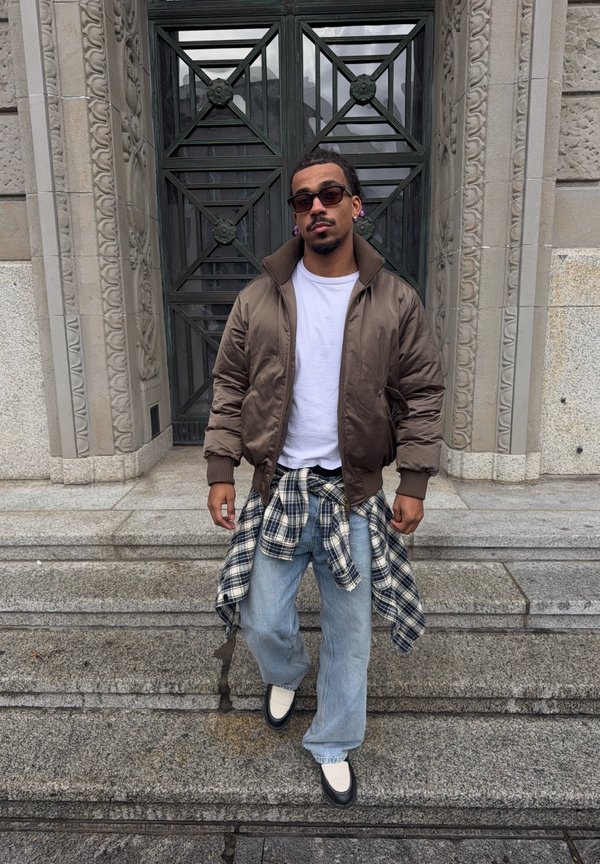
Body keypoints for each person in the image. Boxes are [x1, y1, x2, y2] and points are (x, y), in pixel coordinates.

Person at [204, 147, 444, 809]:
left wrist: (415, 482)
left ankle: (333, 741)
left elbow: (423, 392)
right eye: (303, 199)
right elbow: (228, 385)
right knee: (262, 616)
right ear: (295, 214)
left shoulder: (395, 299)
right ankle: (285, 671)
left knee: (350, 633)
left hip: (355, 494)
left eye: (331, 194)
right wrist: (220, 468)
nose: (316, 207)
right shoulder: (259, 297)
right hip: (277, 488)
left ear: (355, 205)